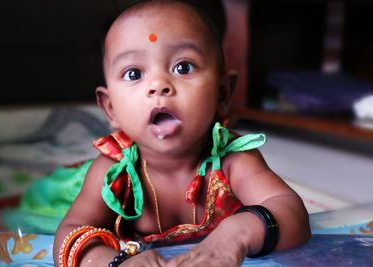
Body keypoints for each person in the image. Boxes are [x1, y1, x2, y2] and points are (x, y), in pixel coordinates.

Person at [54, 1, 311, 266]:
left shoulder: (233, 161)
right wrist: (115, 261)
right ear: (111, 108)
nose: (158, 86)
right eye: (134, 73)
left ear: (222, 94)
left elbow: (292, 212)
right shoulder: (114, 173)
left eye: (183, 67)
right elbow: (69, 232)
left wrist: (237, 233)